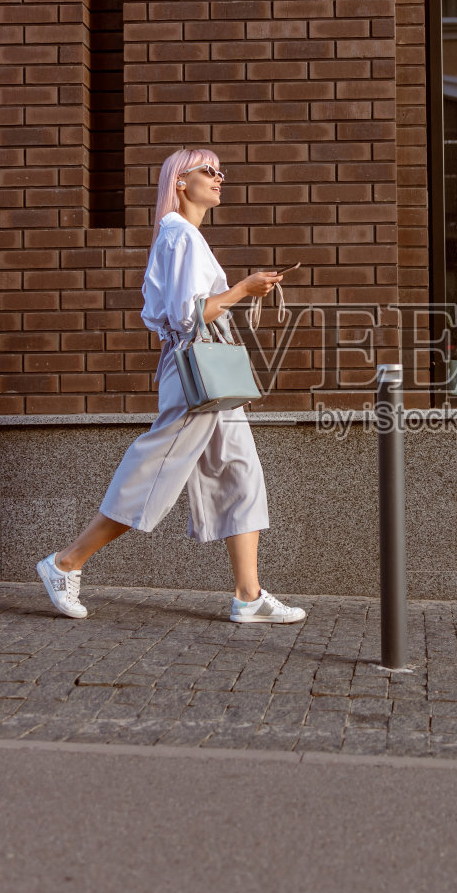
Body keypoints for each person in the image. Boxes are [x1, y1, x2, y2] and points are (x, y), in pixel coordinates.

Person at [35, 148, 305, 624]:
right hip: (196, 372)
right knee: (152, 474)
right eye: (209, 171)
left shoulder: (189, 237)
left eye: (221, 171)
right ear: (180, 182)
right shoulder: (179, 237)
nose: (219, 178)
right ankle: (65, 563)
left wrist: (245, 290)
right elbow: (189, 315)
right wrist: (244, 289)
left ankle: (248, 594)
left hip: (212, 373)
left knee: (241, 475)